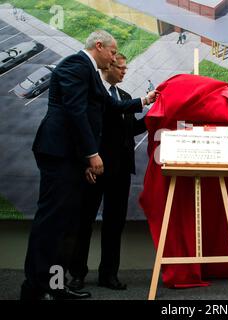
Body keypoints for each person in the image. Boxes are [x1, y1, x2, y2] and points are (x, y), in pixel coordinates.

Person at [21, 30, 157, 300]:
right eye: (113, 51)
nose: (115, 57)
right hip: (59, 153)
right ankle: (34, 289)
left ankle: (56, 286)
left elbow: (110, 104)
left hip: (70, 157)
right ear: (99, 46)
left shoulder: (90, 72)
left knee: (65, 224)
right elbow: (76, 111)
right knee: (52, 223)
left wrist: (144, 100)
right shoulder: (75, 65)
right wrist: (91, 154)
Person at [67, 53, 148, 291]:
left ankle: (108, 274)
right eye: (121, 68)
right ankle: (77, 274)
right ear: (108, 67)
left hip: (120, 172)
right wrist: (85, 163)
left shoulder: (124, 97)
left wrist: (154, 119)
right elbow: (82, 129)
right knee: (84, 223)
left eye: (126, 68)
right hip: (96, 170)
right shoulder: (95, 94)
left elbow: (129, 129)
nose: (124, 72)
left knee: (115, 224)